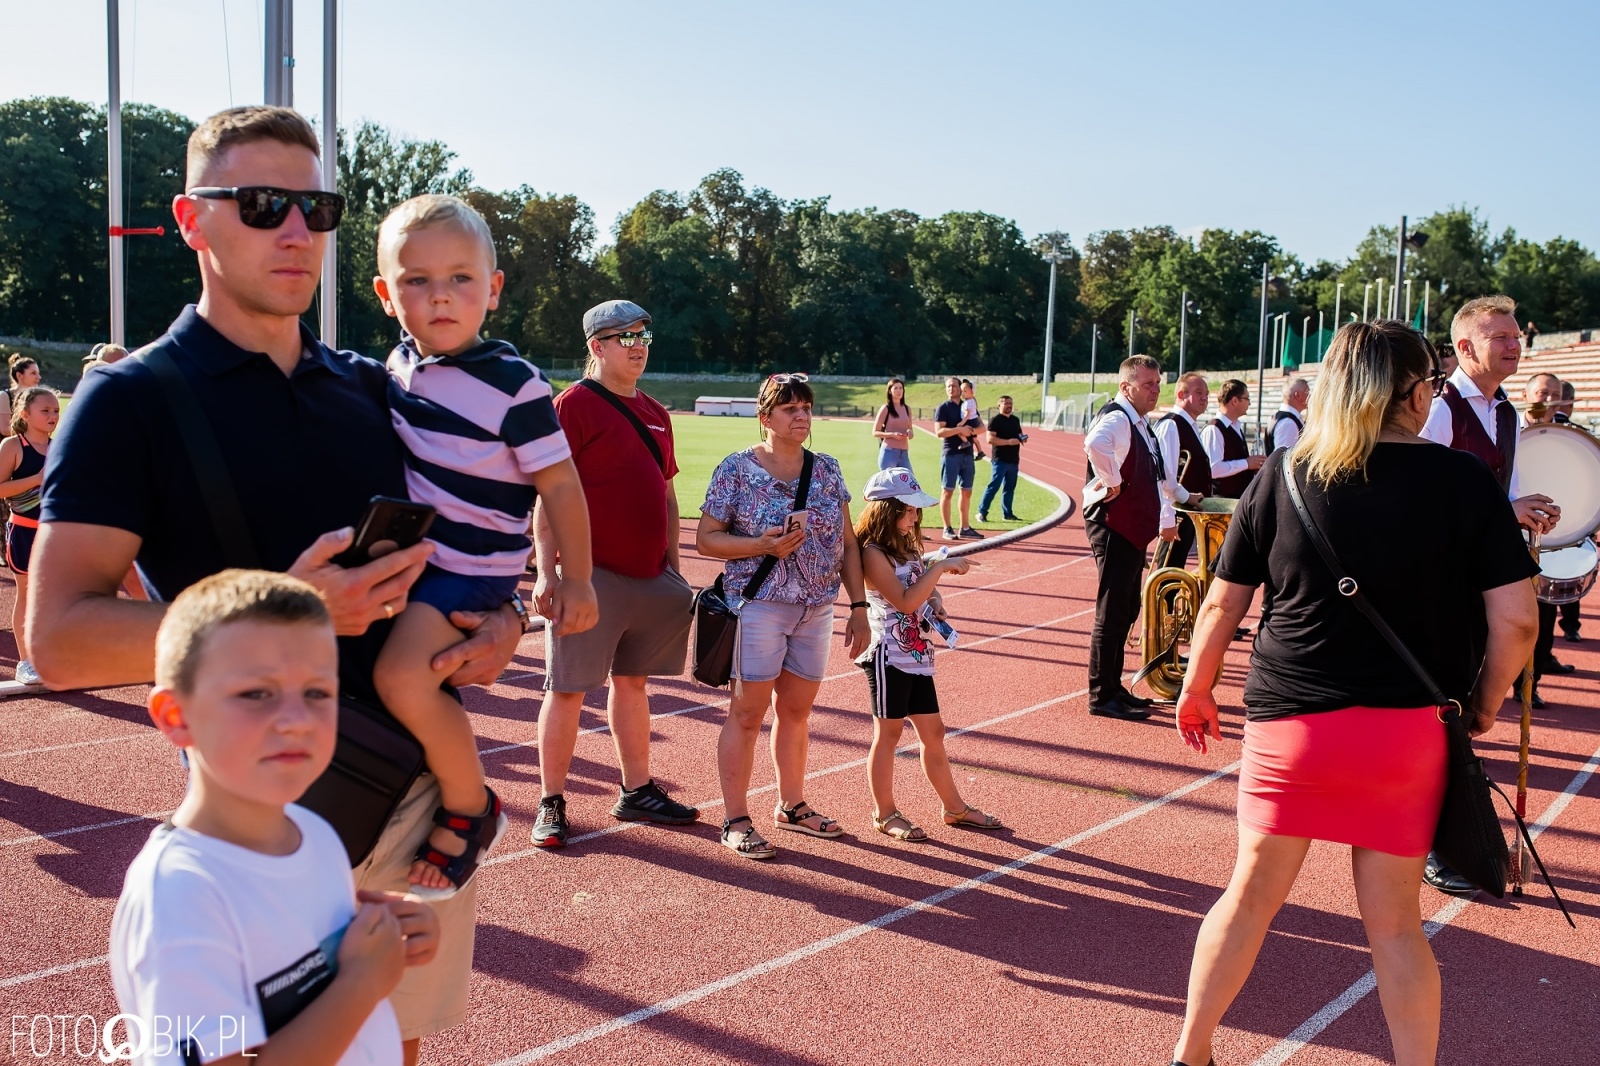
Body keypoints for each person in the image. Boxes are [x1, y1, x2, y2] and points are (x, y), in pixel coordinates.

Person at [32, 106, 524, 1059]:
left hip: (413, 793)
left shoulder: (372, 386)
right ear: (190, 219)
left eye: (315, 208)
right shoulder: (131, 398)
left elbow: (476, 525)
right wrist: (294, 611)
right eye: (261, 205)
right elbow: (55, 637)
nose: (296, 231)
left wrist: (495, 617)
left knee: (393, 1046)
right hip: (266, 811)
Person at [1168, 321, 1539, 1066]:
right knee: (1397, 926)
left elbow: (1221, 603)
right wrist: (1490, 700)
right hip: (1406, 729)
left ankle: (1193, 1051)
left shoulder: (1285, 471)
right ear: (1411, 390)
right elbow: (1520, 620)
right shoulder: (1464, 479)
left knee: (1248, 897)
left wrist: (1198, 687)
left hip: (1292, 722)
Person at [112, 570, 439, 1066]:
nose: (296, 719)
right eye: (256, 694)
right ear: (176, 717)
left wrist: (388, 931)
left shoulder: (315, 833)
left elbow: (301, 948)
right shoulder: (182, 894)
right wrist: (363, 982)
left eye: (317, 693)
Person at [367, 194, 597, 895]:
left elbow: (561, 487)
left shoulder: (515, 385)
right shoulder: (396, 367)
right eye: (417, 280)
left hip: (468, 571)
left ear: (493, 290)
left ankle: (473, 805)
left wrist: (576, 580)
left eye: (461, 278)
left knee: (402, 677)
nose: (441, 297)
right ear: (385, 294)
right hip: (414, 563)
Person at [530, 299, 698, 848]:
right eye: (624, 335)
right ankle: (551, 801)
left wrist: (673, 565)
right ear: (596, 346)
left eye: (644, 332)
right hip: (591, 574)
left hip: (651, 577)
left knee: (634, 684)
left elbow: (668, 495)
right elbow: (548, 495)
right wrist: (549, 572)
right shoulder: (572, 406)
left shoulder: (657, 411)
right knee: (568, 689)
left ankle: (637, 790)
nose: (638, 343)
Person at [697, 373, 870, 860]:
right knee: (748, 714)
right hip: (758, 606)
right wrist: (763, 545)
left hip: (816, 608)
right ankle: (735, 819)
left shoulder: (827, 469)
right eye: (790, 409)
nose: (801, 417)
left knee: (796, 712)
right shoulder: (736, 469)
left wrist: (857, 607)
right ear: (765, 416)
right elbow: (706, 539)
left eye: (806, 408)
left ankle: (791, 805)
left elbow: (848, 544)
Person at [854, 467, 1001, 840]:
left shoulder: (906, 546)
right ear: (886, 510)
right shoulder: (872, 553)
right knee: (888, 735)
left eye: (917, 511)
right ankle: (884, 813)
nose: (915, 517)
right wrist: (937, 570)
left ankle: (954, 808)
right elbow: (903, 601)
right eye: (908, 510)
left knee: (933, 733)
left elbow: (918, 592)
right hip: (888, 654)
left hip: (917, 655)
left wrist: (935, 600)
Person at [1082, 355, 1165, 721]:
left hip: (1129, 527)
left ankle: (1114, 689)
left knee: (1127, 608)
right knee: (1112, 611)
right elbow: (1095, 443)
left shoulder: (1139, 422)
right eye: (1148, 384)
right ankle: (1102, 696)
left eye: (1157, 383)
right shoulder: (1117, 417)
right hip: (1114, 523)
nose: (1155, 389)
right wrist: (1112, 482)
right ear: (1125, 386)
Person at [0, 386, 59, 685]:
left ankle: (49, 657)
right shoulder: (13, 446)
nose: (53, 416)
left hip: (56, 534)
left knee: (54, 597)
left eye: (56, 411)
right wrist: (37, 479)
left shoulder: (61, 444)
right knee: (27, 594)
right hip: (24, 531)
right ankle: (25, 662)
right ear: (25, 414)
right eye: (45, 411)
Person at [1518, 373, 1572, 696]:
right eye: (1542, 392)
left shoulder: (1568, 435)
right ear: (1527, 395)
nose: (1549, 399)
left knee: (1545, 614)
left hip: (1547, 536)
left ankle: (1529, 684)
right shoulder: (1509, 429)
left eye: (1555, 394)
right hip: (1512, 532)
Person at [1154, 373, 1212, 571]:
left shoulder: (1189, 425)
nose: (1205, 397)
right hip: (1176, 514)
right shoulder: (1172, 424)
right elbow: (1163, 478)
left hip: (1186, 512)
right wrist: (1167, 520)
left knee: (1175, 570)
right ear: (1181, 394)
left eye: (1206, 393)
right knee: (1167, 571)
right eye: (1199, 393)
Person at [1554, 380, 1585, 642]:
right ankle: (1571, 625)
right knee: (1570, 577)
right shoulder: (1580, 435)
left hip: (1537, 517)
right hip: (1572, 518)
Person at [934, 376, 981, 540]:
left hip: (967, 454)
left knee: (967, 492)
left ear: (960, 387)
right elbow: (939, 432)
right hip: (950, 453)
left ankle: (965, 527)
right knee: (947, 491)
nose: (951, 388)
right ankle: (947, 528)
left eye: (953, 385)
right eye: (948, 386)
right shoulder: (943, 408)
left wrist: (971, 432)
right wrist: (959, 430)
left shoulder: (968, 404)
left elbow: (981, 427)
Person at [1201, 379, 1265, 498]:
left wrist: (1253, 467)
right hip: (1222, 501)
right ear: (1235, 400)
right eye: (1247, 399)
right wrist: (1247, 463)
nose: (1249, 404)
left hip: (1238, 498)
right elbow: (1213, 469)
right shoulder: (1214, 429)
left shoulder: (1235, 427)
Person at [976, 393, 1025, 522]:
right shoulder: (995, 420)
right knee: (993, 486)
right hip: (1000, 460)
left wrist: (1022, 439)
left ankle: (1007, 513)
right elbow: (990, 439)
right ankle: (982, 512)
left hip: (1014, 460)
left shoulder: (1015, 420)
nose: (1008, 405)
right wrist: (1008, 442)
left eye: (1010, 403)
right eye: (1005, 403)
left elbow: (1019, 434)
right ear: (999, 405)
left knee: (1009, 488)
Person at [872, 377, 915, 472]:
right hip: (889, 452)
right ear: (890, 391)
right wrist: (892, 435)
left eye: (901, 388)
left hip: (904, 453)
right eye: (895, 388)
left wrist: (910, 432)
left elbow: (910, 428)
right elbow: (875, 432)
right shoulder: (886, 409)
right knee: (890, 485)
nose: (899, 390)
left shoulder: (907, 409)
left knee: (909, 484)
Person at [2, 355, 42, 437]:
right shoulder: (4, 396)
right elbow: (5, 430)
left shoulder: (36, 398)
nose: (39, 377)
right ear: (19, 375)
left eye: (38, 373)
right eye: (33, 373)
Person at [1268, 378, 1309, 454]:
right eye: (1307, 392)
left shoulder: (1286, 418)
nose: (1310, 396)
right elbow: (1281, 458)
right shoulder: (1288, 422)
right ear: (1298, 395)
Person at [960, 379, 987, 461]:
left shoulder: (968, 402)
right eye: (961, 391)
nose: (962, 393)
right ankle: (980, 451)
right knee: (974, 438)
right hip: (974, 421)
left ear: (971, 392)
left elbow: (967, 414)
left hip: (969, 421)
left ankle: (965, 441)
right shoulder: (972, 401)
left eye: (965, 391)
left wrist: (962, 422)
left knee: (959, 431)